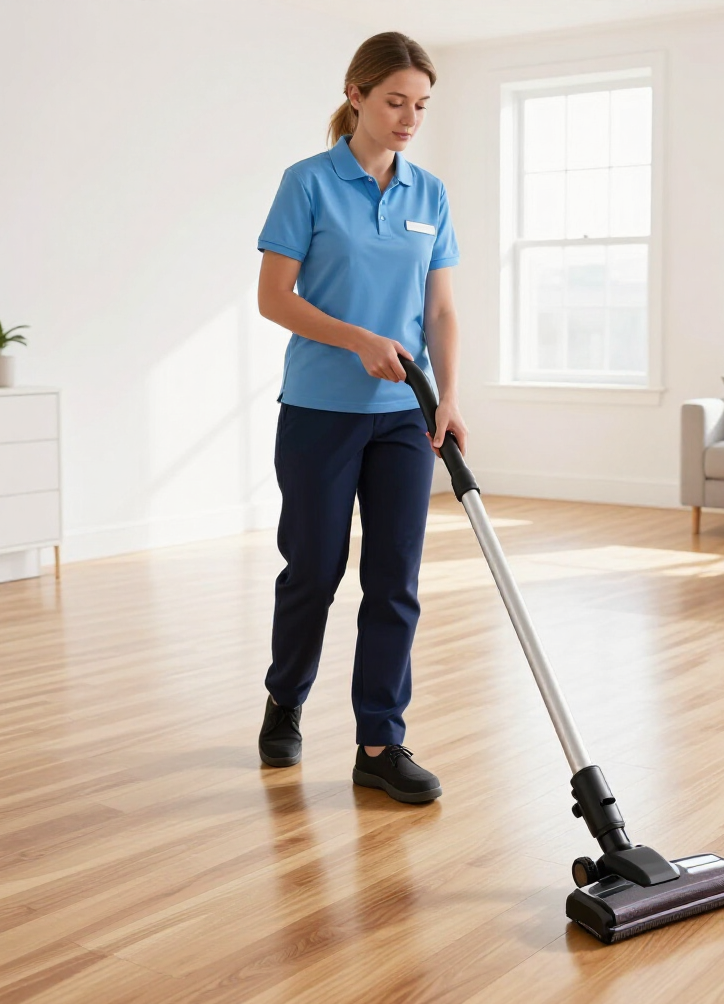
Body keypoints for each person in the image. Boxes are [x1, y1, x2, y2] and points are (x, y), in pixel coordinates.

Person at [254, 31, 465, 803]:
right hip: (320, 410)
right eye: (395, 101)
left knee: (394, 580)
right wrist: (358, 339)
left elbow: (440, 310)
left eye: (421, 106)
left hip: (405, 415)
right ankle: (285, 699)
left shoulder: (430, 194)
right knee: (314, 569)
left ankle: (379, 742)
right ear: (356, 95)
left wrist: (447, 394)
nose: (409, 118)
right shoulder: (308, 183)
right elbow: (274, 298)